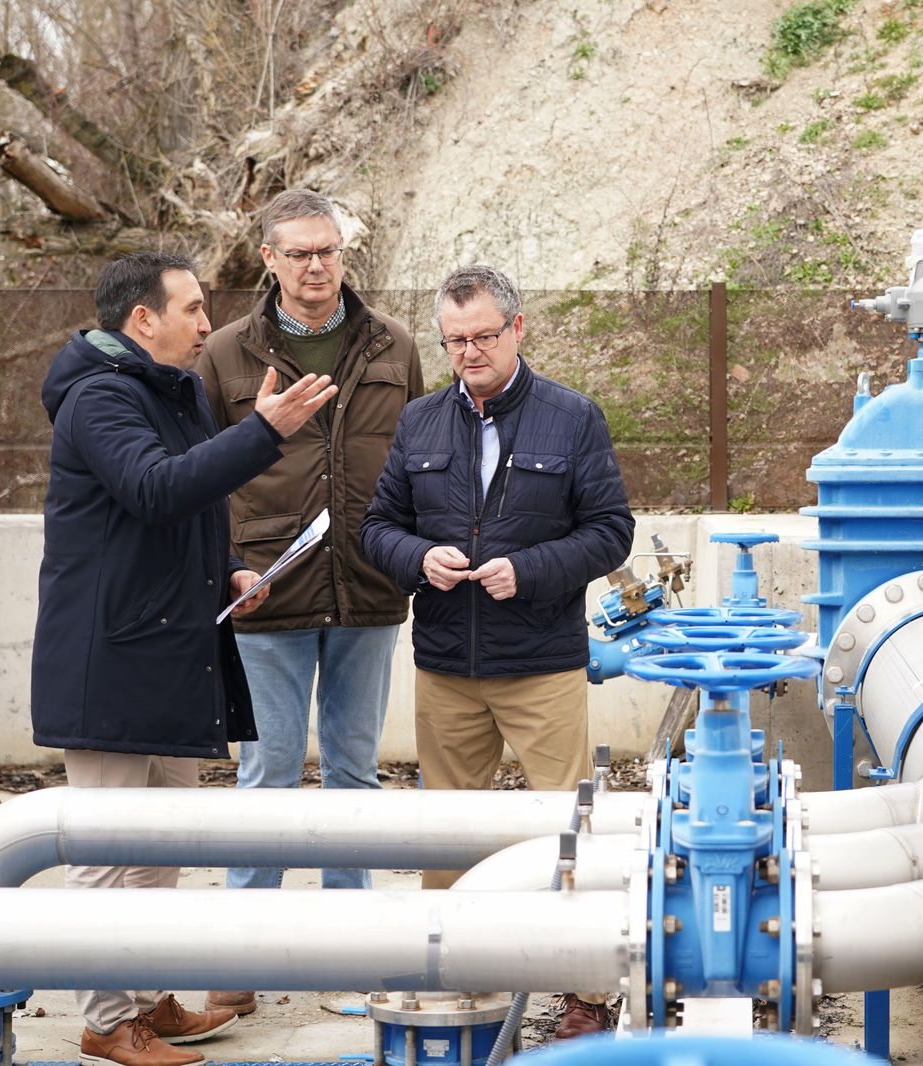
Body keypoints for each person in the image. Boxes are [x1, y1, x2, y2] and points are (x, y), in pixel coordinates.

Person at [31, 251, 336, 1066]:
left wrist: (231, 568)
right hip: (111, 659)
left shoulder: (173, 392)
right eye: (193, 308)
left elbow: (194, 507)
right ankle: (106, 1022)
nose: (208, 323)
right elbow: (155, 488)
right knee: (105, 853)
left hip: (171, 650)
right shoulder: (98, 397)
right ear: (143, 319)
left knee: (161, 844)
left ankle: (146, 998)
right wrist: (263, 432)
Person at [359, 264, 634, 1039]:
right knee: (449, 835)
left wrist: (531, 570)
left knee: (570, 830)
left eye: (483, 335)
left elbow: (611, 531)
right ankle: (457, 981)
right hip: (447, 667)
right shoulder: (419, 423)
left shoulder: (571, 418)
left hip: (541, 665)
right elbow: (377, 528)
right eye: (455, 341)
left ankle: (586, 995)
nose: (469, 352)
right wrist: (420, 558)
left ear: (517, 327)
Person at [194, 190, 423, 1017]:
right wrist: (228, 567)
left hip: (367, 584)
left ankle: (350, 952)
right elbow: (202, 473)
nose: (316, 265)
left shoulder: (393, 343)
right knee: (268, 774)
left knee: (355, 774)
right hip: (267, 589)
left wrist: (409, 554)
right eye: (298, 252)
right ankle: (239, 960)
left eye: (327, 250)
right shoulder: (225, 353)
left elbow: (419, 458)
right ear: (270, 259)